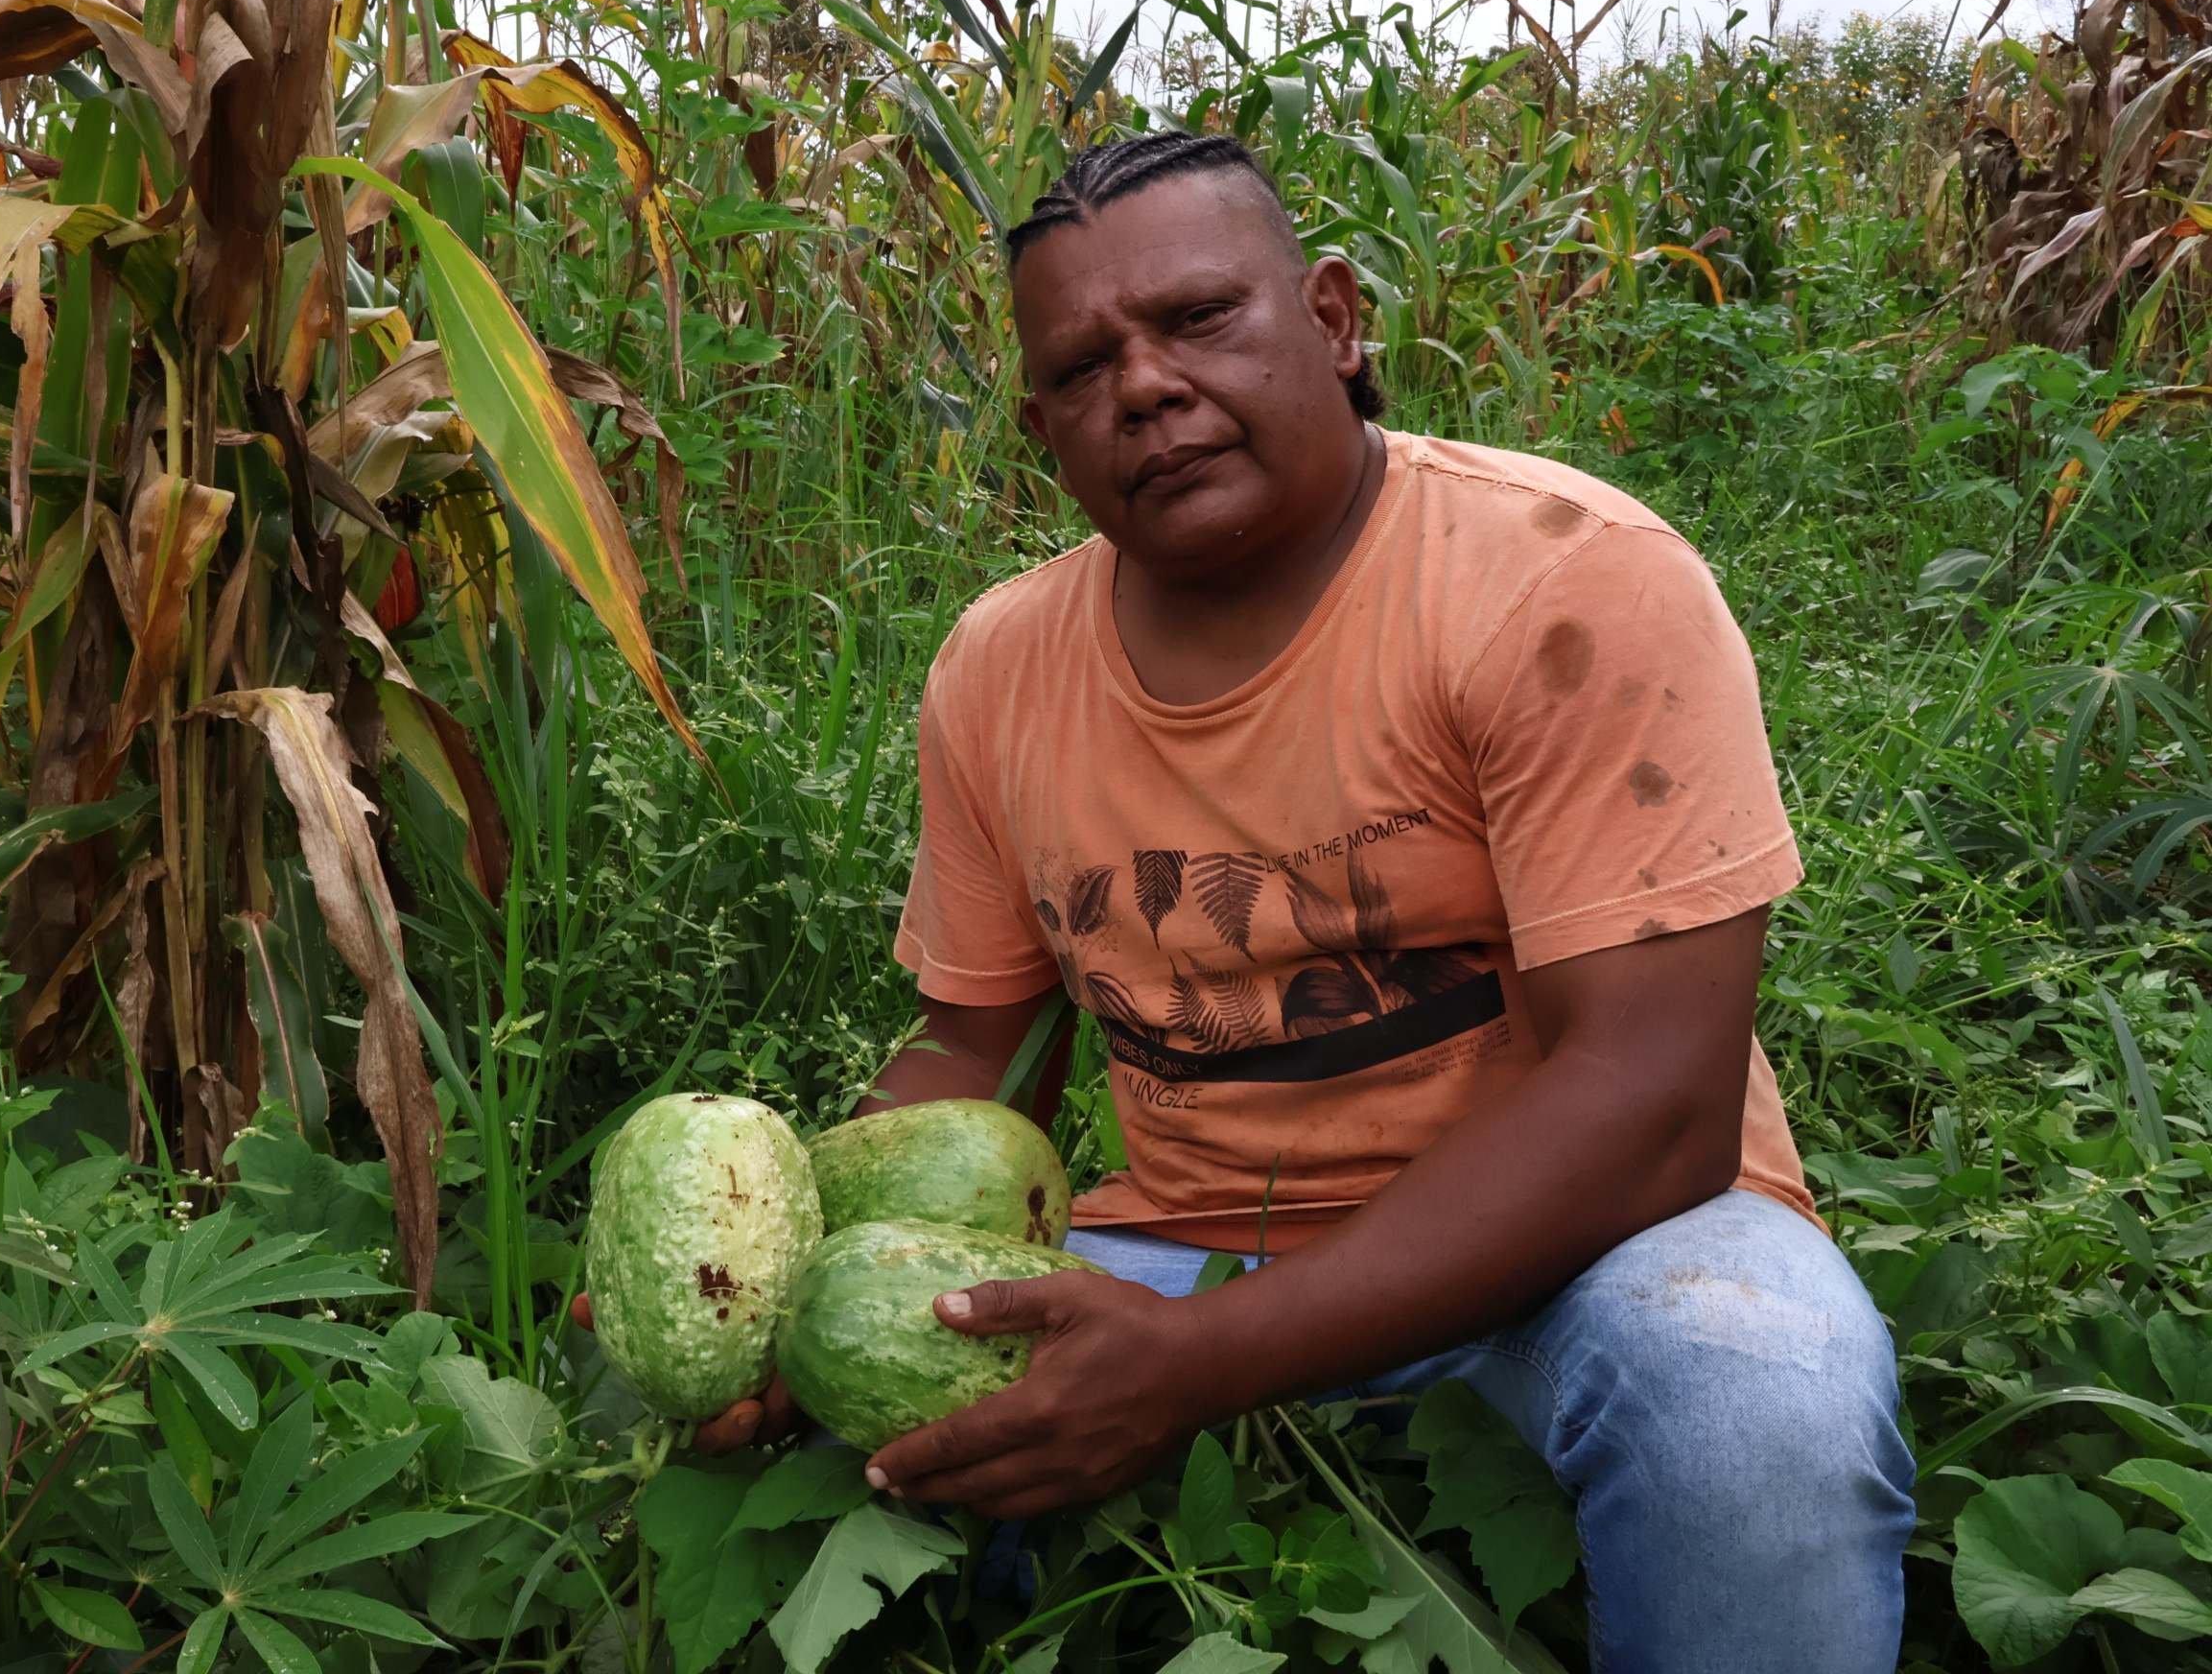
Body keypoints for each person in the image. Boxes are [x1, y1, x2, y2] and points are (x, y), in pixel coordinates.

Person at [583, 133, 1916, 1670]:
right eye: (1083, 370)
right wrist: (752, 1278)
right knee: (809, 1437)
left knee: (1760, 1415)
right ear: (1042, 433)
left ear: (1334, 320)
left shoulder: (1562, 580)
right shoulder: (1000, 670)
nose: (1146, 387)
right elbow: (977, 1055)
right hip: (1190, 1252)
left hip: (1593, 1245)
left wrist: (1200, 1366)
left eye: (1200, 319)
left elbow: (1655, 1106)